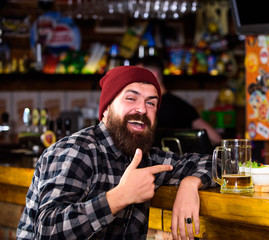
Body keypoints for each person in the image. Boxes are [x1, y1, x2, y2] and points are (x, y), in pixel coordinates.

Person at [17, 66, 216, 240]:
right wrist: (119, 197)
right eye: (131, 98)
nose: (142, 109)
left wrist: (191, 183)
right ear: (106, 109)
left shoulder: (146, 158)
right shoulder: (77, 151)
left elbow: (217, 163)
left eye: (151, 103)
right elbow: (48, 231)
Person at [135, 56, 222, 146]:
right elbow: (215, 138)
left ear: (153, 75)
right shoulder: (182, 105)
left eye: (138, 75)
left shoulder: (143, 109)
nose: (134, 80)